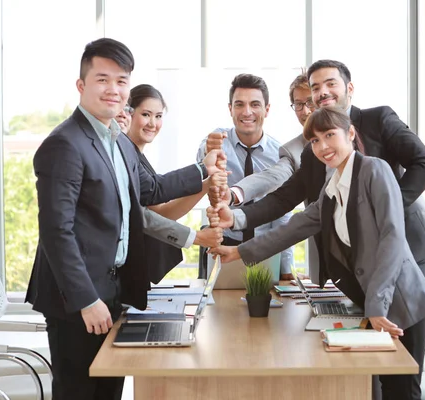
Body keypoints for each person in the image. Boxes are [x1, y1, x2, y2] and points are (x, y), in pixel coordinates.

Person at [208, 60, 425, 370]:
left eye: (329, 84)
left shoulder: (377, 129)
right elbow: (290, 207)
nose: (321, 93)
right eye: (314, 89)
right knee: (375, 374)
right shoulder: (326, 174)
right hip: (360, 270)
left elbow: (423, 167)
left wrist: (384, 211)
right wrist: (238, 243)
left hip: (405, 252)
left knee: (420, 354)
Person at [25, 38, 225, 400]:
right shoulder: (65, 144)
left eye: (121, 81)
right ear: (81, 85)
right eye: (103, 79)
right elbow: (57, 231)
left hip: (113, 291)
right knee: (78, 392)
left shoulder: (116, 141)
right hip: (78, 300)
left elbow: (153, 190)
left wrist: (202, 170)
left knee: (108, 392)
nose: (113, 89)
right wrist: (86, 299)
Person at [126, 84, 227, 283]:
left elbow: (163, 212)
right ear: (128, 113)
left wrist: (207, 183)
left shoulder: (138, 157)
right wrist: (202, 169)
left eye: (158, 116)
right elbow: (155, 194)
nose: (152, 123)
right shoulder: (126, 156)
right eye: (146, 114)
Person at [196, 73, 293, 276]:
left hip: (263, 246)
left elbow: (283, 214)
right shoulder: (215, 144)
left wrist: (285, 269)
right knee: (216, 305)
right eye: (239, 104)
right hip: (223, 240)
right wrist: (209, 154)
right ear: (230, 108)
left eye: (255, 104)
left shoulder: (280, 155)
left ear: (267, 109)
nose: (247, 112)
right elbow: (202, 185)